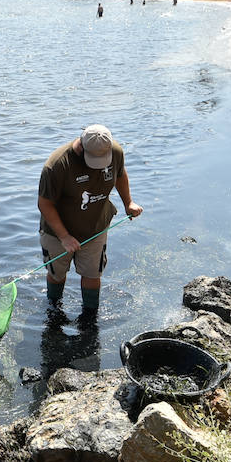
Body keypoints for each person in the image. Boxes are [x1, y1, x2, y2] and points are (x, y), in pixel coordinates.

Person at [37, 124, 143, 321]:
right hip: (57, 232)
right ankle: (54, 312)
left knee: (93, 274)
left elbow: (120, 174)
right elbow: (44, 204)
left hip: (96, 228)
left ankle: (90, 317)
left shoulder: (115, 152)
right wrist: (65, 237)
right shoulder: (57, 165)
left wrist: (129, 202)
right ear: (81, 147)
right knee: (57, 274)